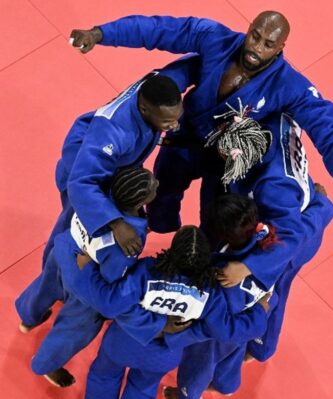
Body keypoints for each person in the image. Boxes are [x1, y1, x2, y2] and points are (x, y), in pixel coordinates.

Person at [69, 11, 333, 233]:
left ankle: (200, 263)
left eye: (268, 44)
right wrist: (101, 34)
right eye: (255, 36)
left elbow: (324, 121)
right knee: (161, 197)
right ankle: (159, 236)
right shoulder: (216, 39)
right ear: (249, 30)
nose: (256, 48)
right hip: (184, 139)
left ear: (280, 47)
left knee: (216, 217)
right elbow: (159, 29)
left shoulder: (289, 85)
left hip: (225, 159)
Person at [15, 56, 197, 331]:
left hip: (110, 169)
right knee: (66, 237)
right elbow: (81, 184)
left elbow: (189, 64)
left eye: (176, 118)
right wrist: (116, 222)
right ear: (145, 110)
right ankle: (37, 302)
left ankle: (58, 280)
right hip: (82, 171)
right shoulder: (114, 133)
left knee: (78, 240)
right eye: (168, 121)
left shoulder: (159, 89)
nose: (174, 126)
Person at [54, 226, 276, 399]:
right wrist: (259, 311)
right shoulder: (211, 293)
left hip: (126, 341)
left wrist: (89, 271)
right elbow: (227, 330)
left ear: (172, 250)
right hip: (166, 353)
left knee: (104, 373)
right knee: (143, 388)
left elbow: (110, 302)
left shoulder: (148, 270)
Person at [163, 189, 333, 399]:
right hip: (257, 309)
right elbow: (304, 229)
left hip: (226, 325)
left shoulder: (220, 276)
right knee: (234, 353)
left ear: (222, 235)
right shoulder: (273, 244)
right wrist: (322, 202)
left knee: (200, 362)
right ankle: (226, 386)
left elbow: (215, 325)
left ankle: (189, 395)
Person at [26, 167, 161, 387]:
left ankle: (27, 315)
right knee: (76, 328)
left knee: (45, 285)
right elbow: (110, 277)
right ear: (138, 202)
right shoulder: (128, 243)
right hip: (83, 280)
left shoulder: (97, 197)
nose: (157, 183)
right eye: (152, 186)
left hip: (64, 248)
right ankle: (45, 364)